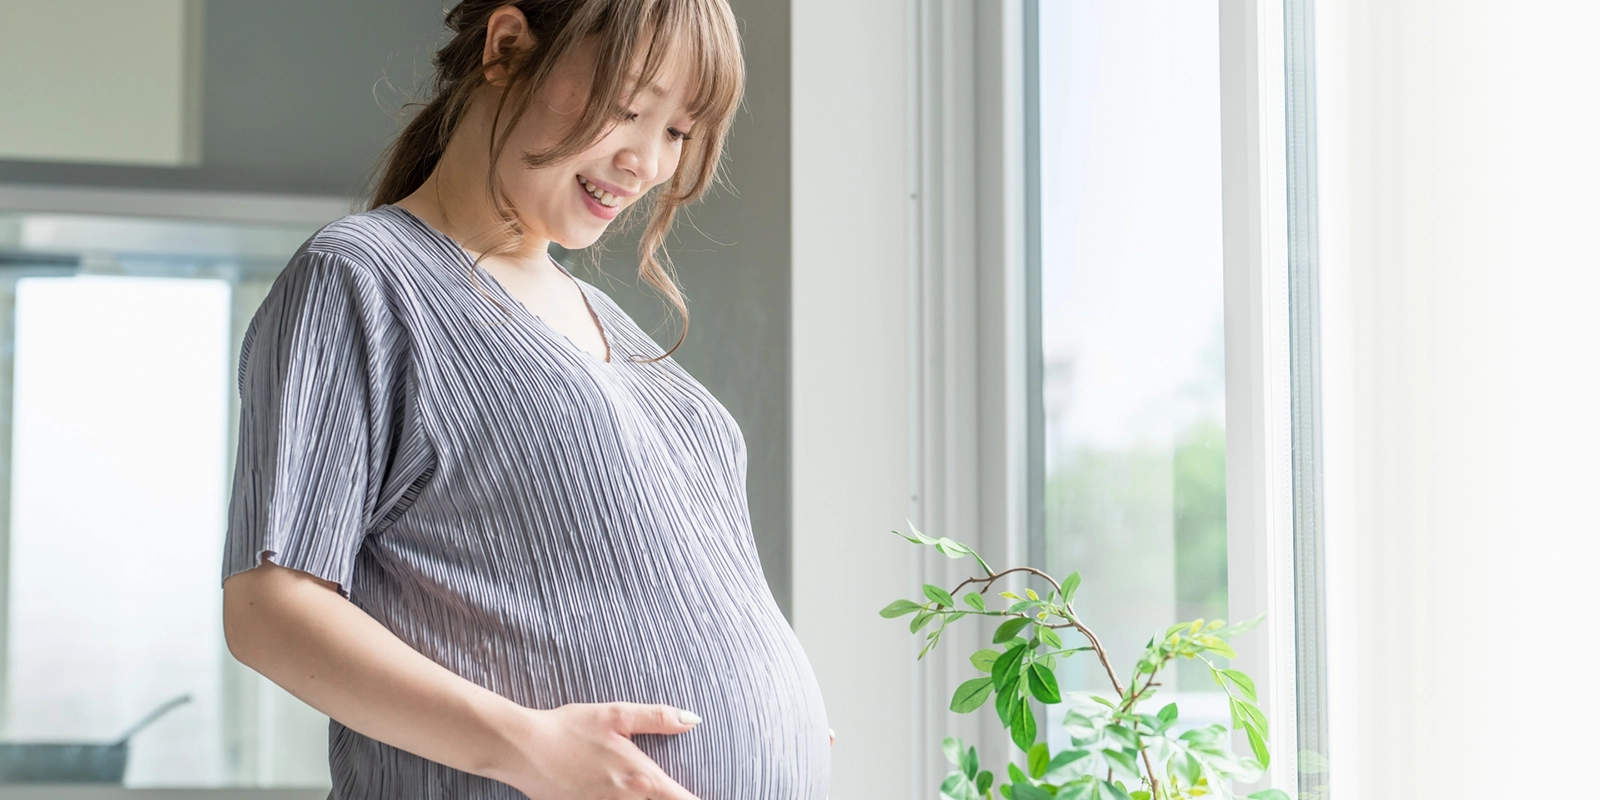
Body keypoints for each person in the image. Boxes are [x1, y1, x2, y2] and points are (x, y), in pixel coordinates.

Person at [219, 2, 831, 798]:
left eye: (676, 132)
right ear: (506, 48)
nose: (647, 161)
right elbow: (269, 607)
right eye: (629, 108)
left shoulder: (607, 322)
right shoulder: (365, 279)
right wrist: (530, 749)